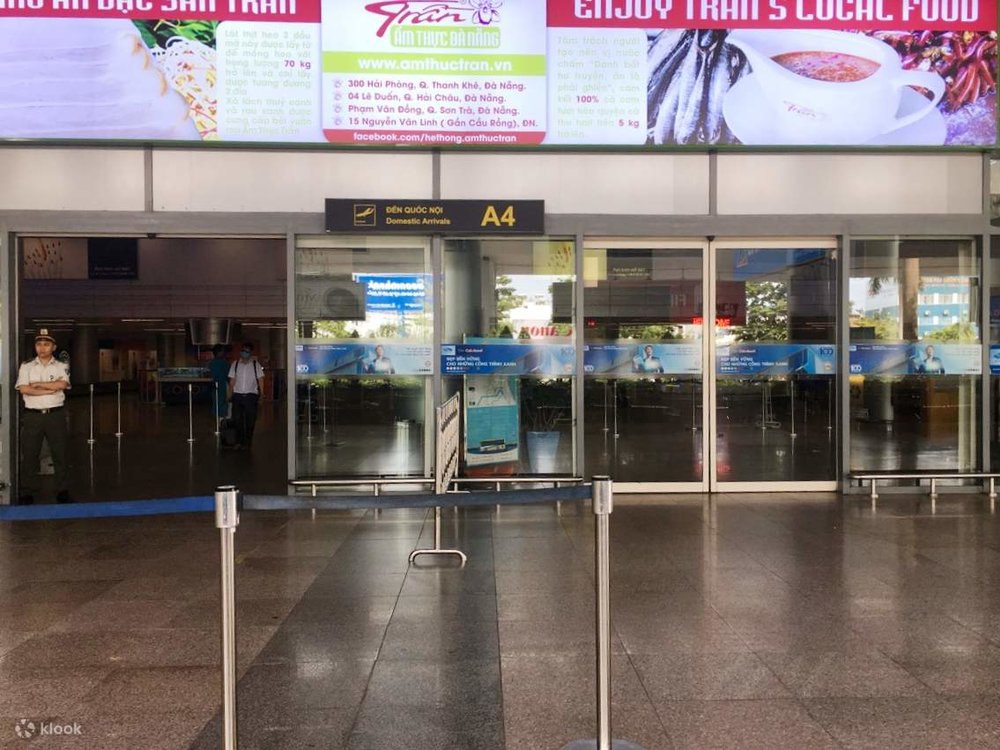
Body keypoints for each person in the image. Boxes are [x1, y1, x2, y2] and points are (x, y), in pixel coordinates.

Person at [15, 329, 71, 504]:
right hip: (33, 416)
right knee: (30, 454)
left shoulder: (61, 365)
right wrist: (49, 388)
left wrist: (38, 385)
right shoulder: (27, 366)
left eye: (46, 344)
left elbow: (62, 384)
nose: (42, 348)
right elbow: (24, 389)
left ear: (53, 347)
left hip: (55, 415)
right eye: (39, 344)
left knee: (60, 453)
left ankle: (62, 490)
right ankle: (27, 491)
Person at [228, 341, 264, 450]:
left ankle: (247, 442)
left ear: (250, 353)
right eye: (243, 351)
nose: (244, 353)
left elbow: (260, 380)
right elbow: (232, 381)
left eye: (247, 351)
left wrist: (262, 394)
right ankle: (238, 442)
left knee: (250, 420)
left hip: (251, 396)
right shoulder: (235, 364)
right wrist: (229, 394)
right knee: (237, 419)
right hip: (237, 395)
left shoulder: (255, 365)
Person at [208, 344, 230, 419]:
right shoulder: (224, 363)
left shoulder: (211, 363)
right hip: (223, 386)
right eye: (223, 351)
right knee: (223, 402)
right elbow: (229, 376)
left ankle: (218, 420)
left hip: (214, 386)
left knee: (216, 403)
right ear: (220, 352)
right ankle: (223, 420)